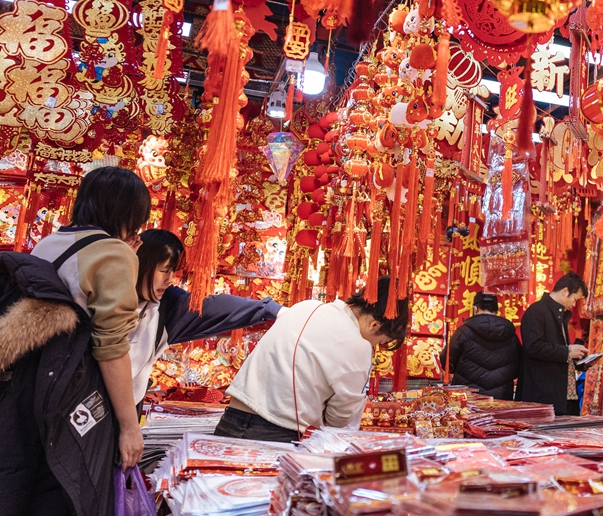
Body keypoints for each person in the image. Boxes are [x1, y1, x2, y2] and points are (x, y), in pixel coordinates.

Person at [0, 166, 150, 516]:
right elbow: (111, 346)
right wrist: (130, 427)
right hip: (72, 392)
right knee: (70, 491)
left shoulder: (50, 242)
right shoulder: (115, 253)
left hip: (26, 382)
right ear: (128, 213)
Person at [215, 279, 408, 442]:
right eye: (380, 342)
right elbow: (338, 418)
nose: (374, 347)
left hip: (230, 419)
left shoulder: (306, 306)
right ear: (375, 325)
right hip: (276, 434)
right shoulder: (358, 345)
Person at [128, 230, 281, 407]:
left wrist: (271, 309)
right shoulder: (107, 298)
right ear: (141, 266)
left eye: (173, 271)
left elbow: (213, 307)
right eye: (164, 271)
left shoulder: (167, 307)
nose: (170, 279)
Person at [518, 273, 589, 416]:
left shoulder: (559, 315)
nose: (574, 305)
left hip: (564, 395)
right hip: (543, 395)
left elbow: (558, 353)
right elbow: (534, 347)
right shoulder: (536, 312)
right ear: (564, 291)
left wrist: (580, 360)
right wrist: (568, 352)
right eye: (575, 299)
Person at [445, 292, 521, 399]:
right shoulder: (510, 335)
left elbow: (447, 362)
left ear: (475, 309)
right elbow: (518, 365)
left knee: (468, 416)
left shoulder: (463, 331)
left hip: (468, 396)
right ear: (497, 310)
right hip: (500, 396)